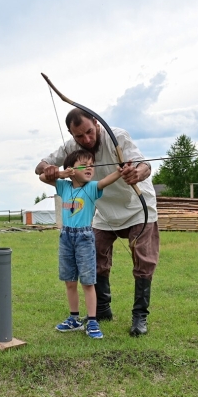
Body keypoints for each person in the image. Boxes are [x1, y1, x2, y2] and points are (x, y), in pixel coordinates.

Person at [36, 108, 159, 336]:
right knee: (96, 256)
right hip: (102, 210)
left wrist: (137, 173)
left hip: (136, 206)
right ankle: (102, 310)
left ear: (96, 123)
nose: (86, 139)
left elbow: (145, 166)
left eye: (89, 132)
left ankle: (139, 317)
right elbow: (40, 167)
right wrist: (51, 170)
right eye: (79, 136)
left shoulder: (118, 136)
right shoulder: (72, 147)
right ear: (72, 135)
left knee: (143, 259)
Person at [39, 149, 124, 339]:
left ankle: (92, 321)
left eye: (92, 165)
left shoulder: (93, 187)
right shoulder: (63, 186)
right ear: (71, 169)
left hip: (84, 237)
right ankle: (74, 319)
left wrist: (119, 172)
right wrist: (61, 173)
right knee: (70, 281)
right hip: (66, 237)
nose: (90, 168)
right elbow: (43, 177)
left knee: (87, 281)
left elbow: (106, 181)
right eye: (84, 165)